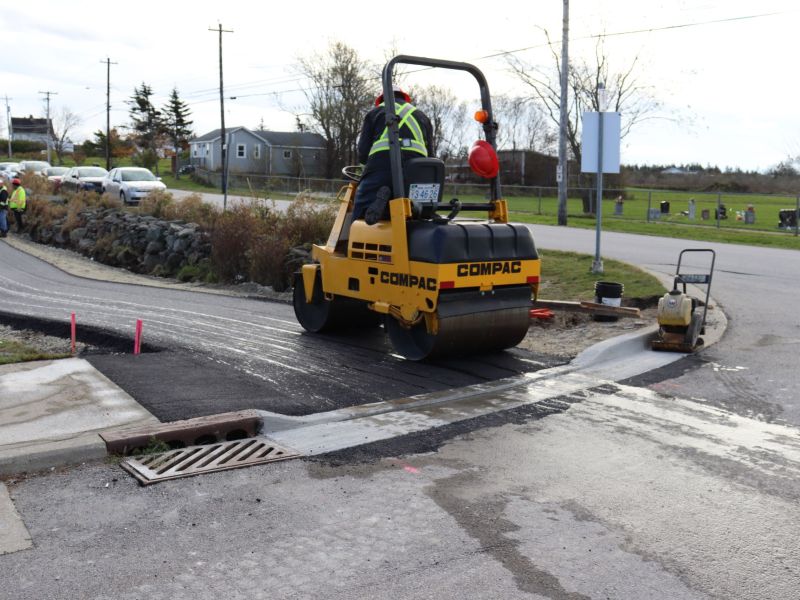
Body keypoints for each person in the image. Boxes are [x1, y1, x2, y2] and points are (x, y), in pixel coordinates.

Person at [354, 85, 433, 222]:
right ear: (405, 98)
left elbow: (363, 153)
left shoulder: (374, 113)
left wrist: (367, 170)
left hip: (381, 169)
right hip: (416, 173)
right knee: (417, 212)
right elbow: (431, 155)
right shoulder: (422, 117)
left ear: (381, 99)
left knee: (361, 208)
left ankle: (380, 207)